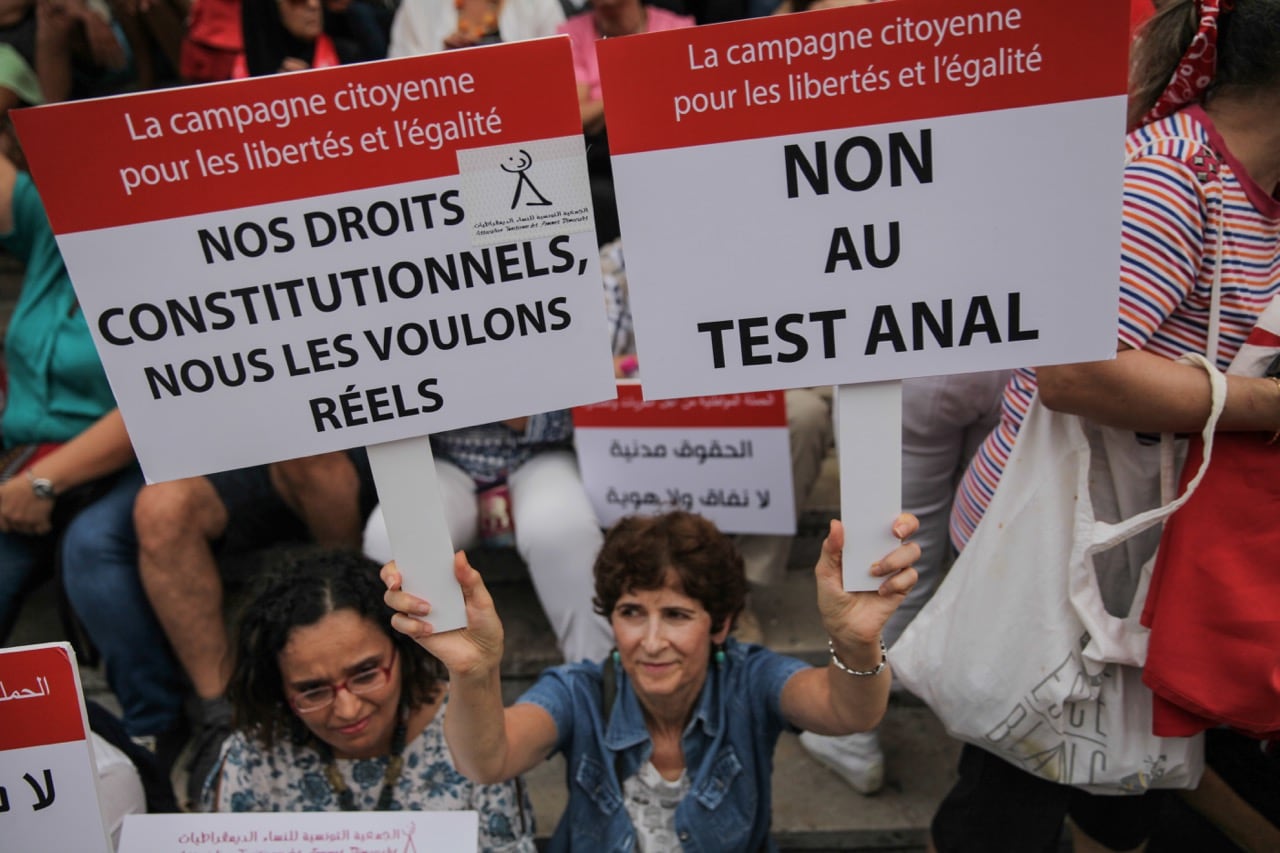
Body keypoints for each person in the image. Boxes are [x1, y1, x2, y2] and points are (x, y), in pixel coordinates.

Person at [935, 1, 1280, 850]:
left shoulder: (1248, 180)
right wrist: (1267, 410)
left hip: (1149, 558)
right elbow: (1074, 368)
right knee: (1009, 805)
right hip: (1055, 559)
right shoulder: (1169, 176)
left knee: (1119, 790)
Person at [383, 510, 919, 851]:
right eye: (632, 612)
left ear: (721, 625)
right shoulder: (580, 692)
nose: (652, 640)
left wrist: (854, 640)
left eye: (678, 615)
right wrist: (474, 671)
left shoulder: (751, 680)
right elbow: (487, 761)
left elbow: (849, 712)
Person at [0, 79, 188, 761]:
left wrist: (41, 483)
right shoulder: (52, 240)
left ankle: (155, 731)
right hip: (24, 461)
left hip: (121, 459)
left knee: (92, 548)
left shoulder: (167, 262)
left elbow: (155, 401)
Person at [201, 548, 536, 853]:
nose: (348, 710)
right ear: (279, 687)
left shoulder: (472, 736)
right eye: (313, 690)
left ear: (403, 653)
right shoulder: (253, 758)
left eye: (365, 675)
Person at [363, 412, 615, 665]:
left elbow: (576, 410)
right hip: (438, 458)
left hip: (541, 455)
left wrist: (486, 393)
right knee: (388, 538)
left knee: (562, 531)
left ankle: (601, 677)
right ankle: (405, 679)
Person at [388, 0, 564, 57]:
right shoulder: (418, 6)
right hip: (446, 126)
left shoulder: (540, 4)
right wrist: (439, 64)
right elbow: (397, 81)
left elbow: (559, 69)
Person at [232, 0, 353, 77]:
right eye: (298, 1)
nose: (313, 5)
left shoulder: (348, 56)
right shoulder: (234, 70)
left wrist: (316, 89)